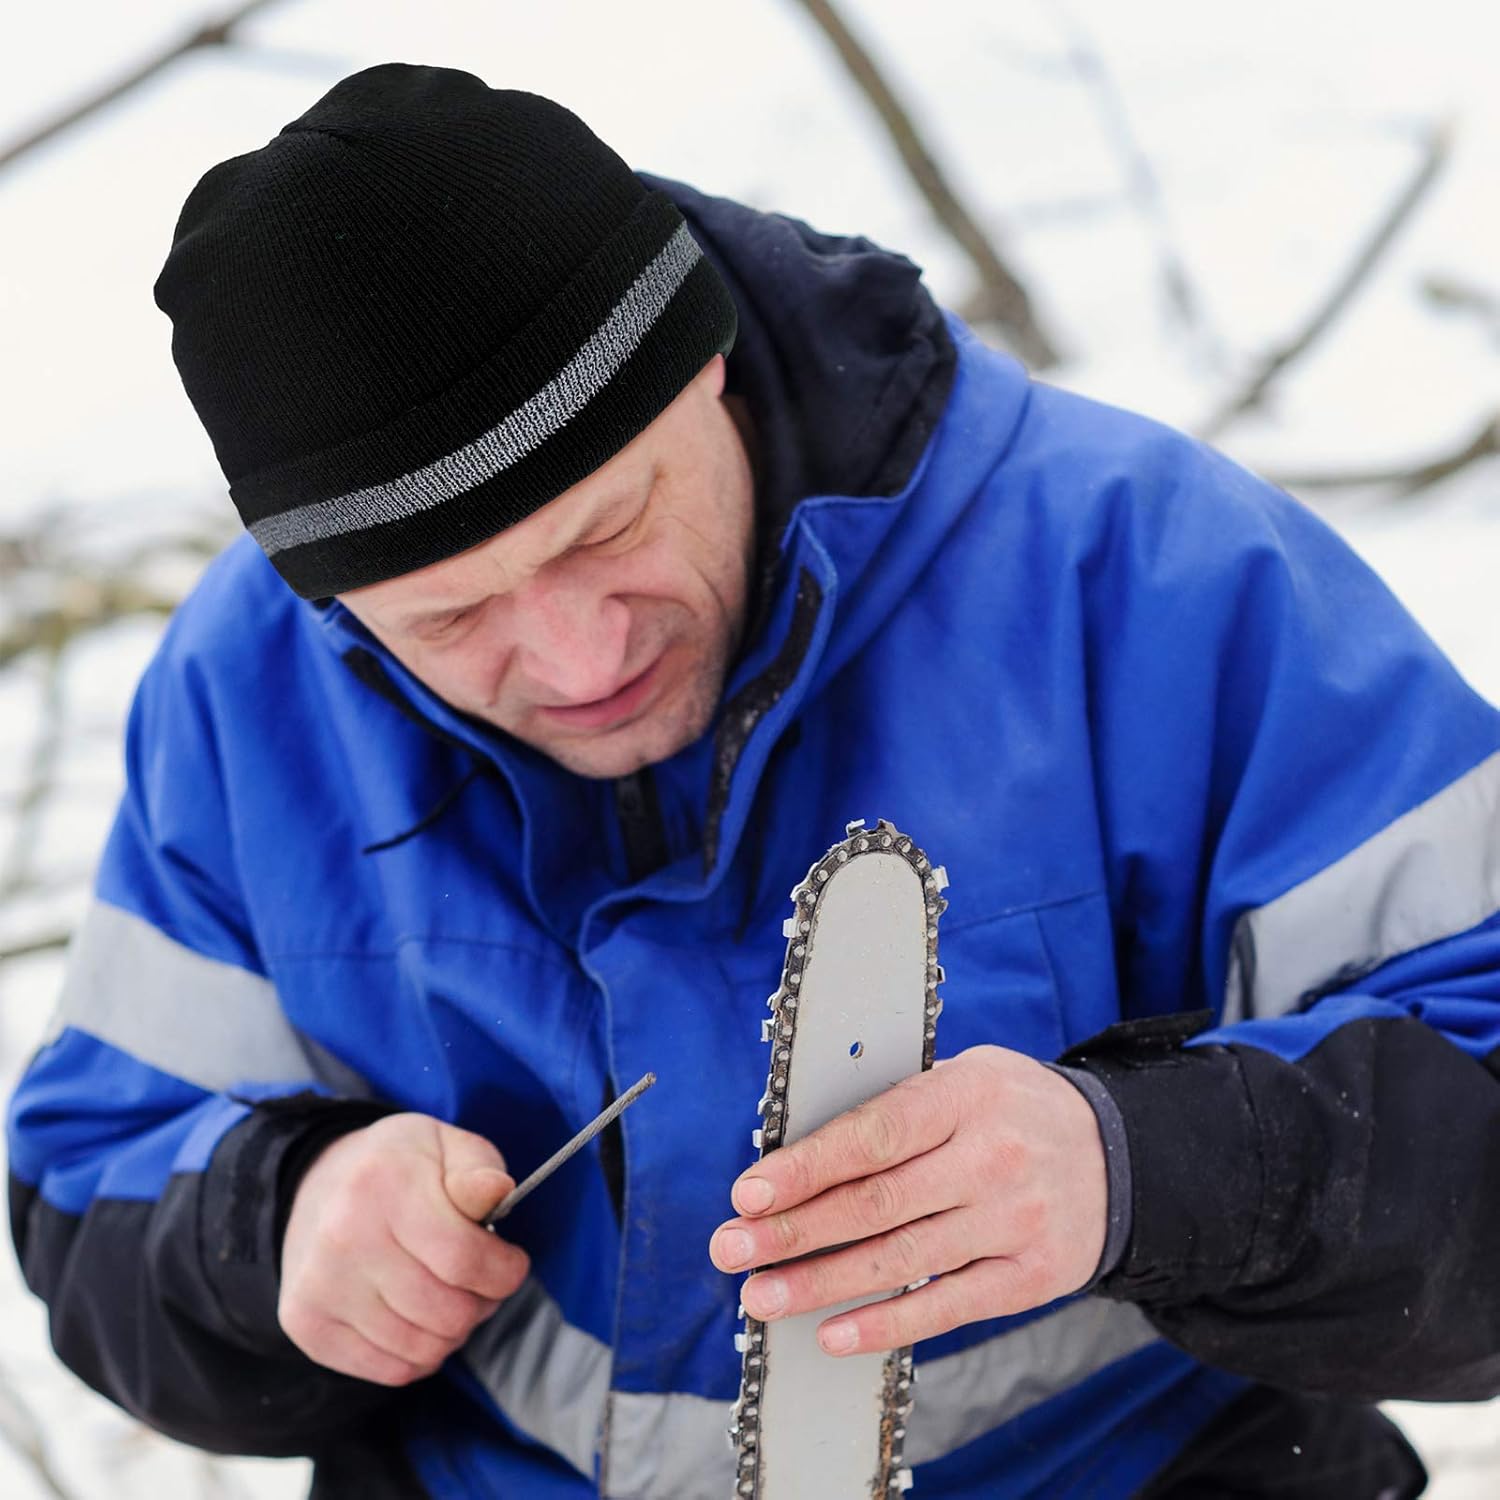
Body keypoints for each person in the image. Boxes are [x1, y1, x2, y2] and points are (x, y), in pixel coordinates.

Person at [7, 60, 1498, 1500]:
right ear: (334, 606)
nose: (577, 655)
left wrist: (1145, 1172)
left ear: (705, 366)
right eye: (451, 622)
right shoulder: (242, 689)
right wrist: (274, 1230)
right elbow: (86, 1187)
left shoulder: (1148, 575)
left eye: (609, 529)